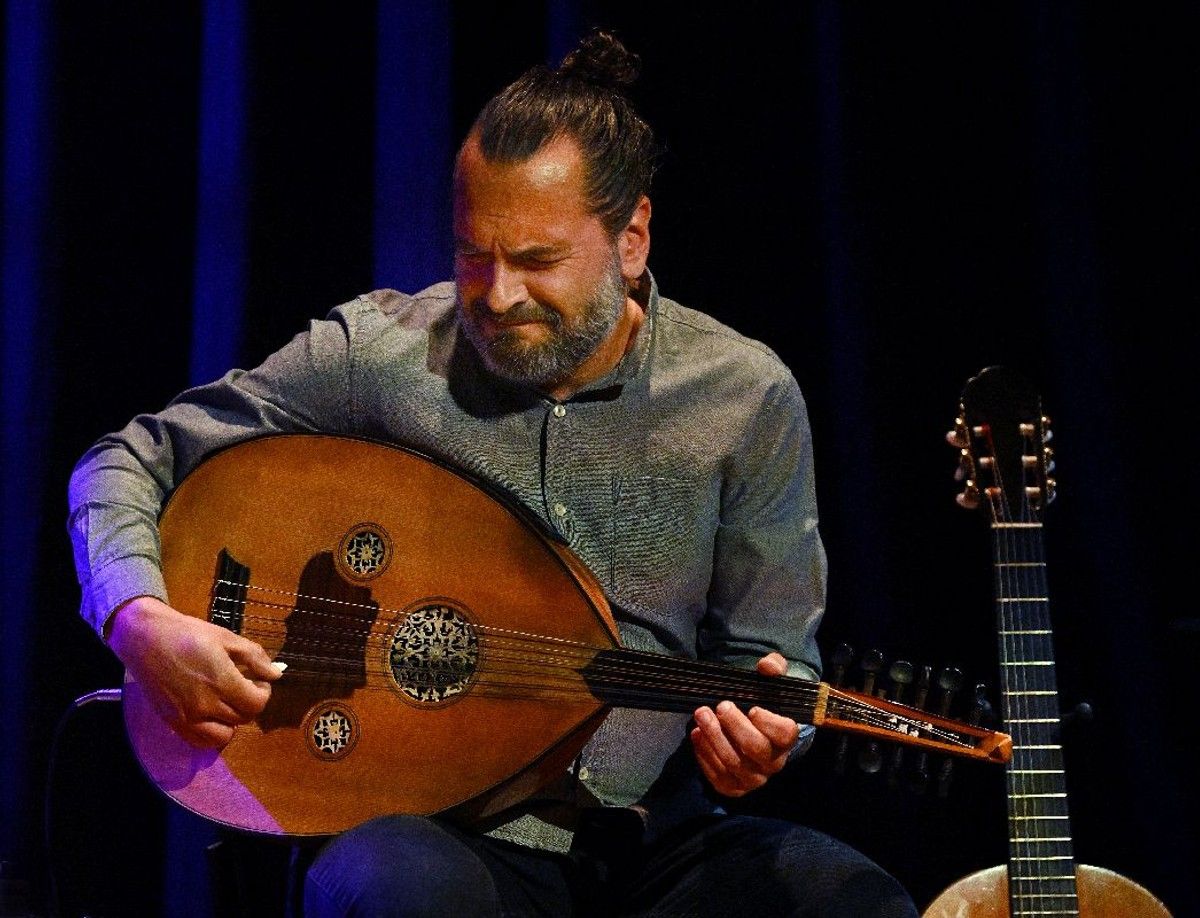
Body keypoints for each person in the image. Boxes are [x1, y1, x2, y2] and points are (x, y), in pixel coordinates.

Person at [68, 30, 918, 917]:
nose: (498, 293)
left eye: (537, 260)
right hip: (432, 828)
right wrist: (141, 620)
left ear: (631, 238)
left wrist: (767, 739)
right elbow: (130, 458)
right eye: (474, 254)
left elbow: (769, 662)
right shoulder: (383, 353)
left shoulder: (743, 396)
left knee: (852, 902)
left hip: (654, 835)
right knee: (406, 893)